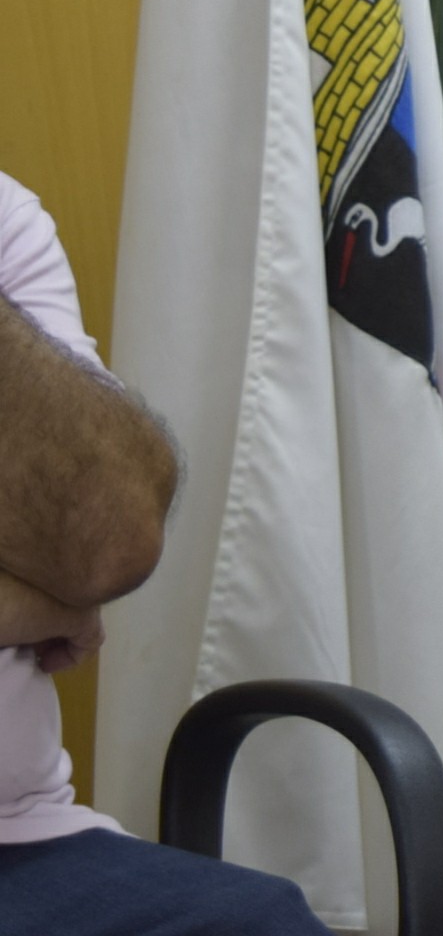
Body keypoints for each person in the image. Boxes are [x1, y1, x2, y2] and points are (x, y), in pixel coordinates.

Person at [0, 170, 328, 934]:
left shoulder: (6, 221)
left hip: (22, 839)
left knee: (264, 920)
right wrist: (26, 604)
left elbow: (108, 544)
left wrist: (57, 589)